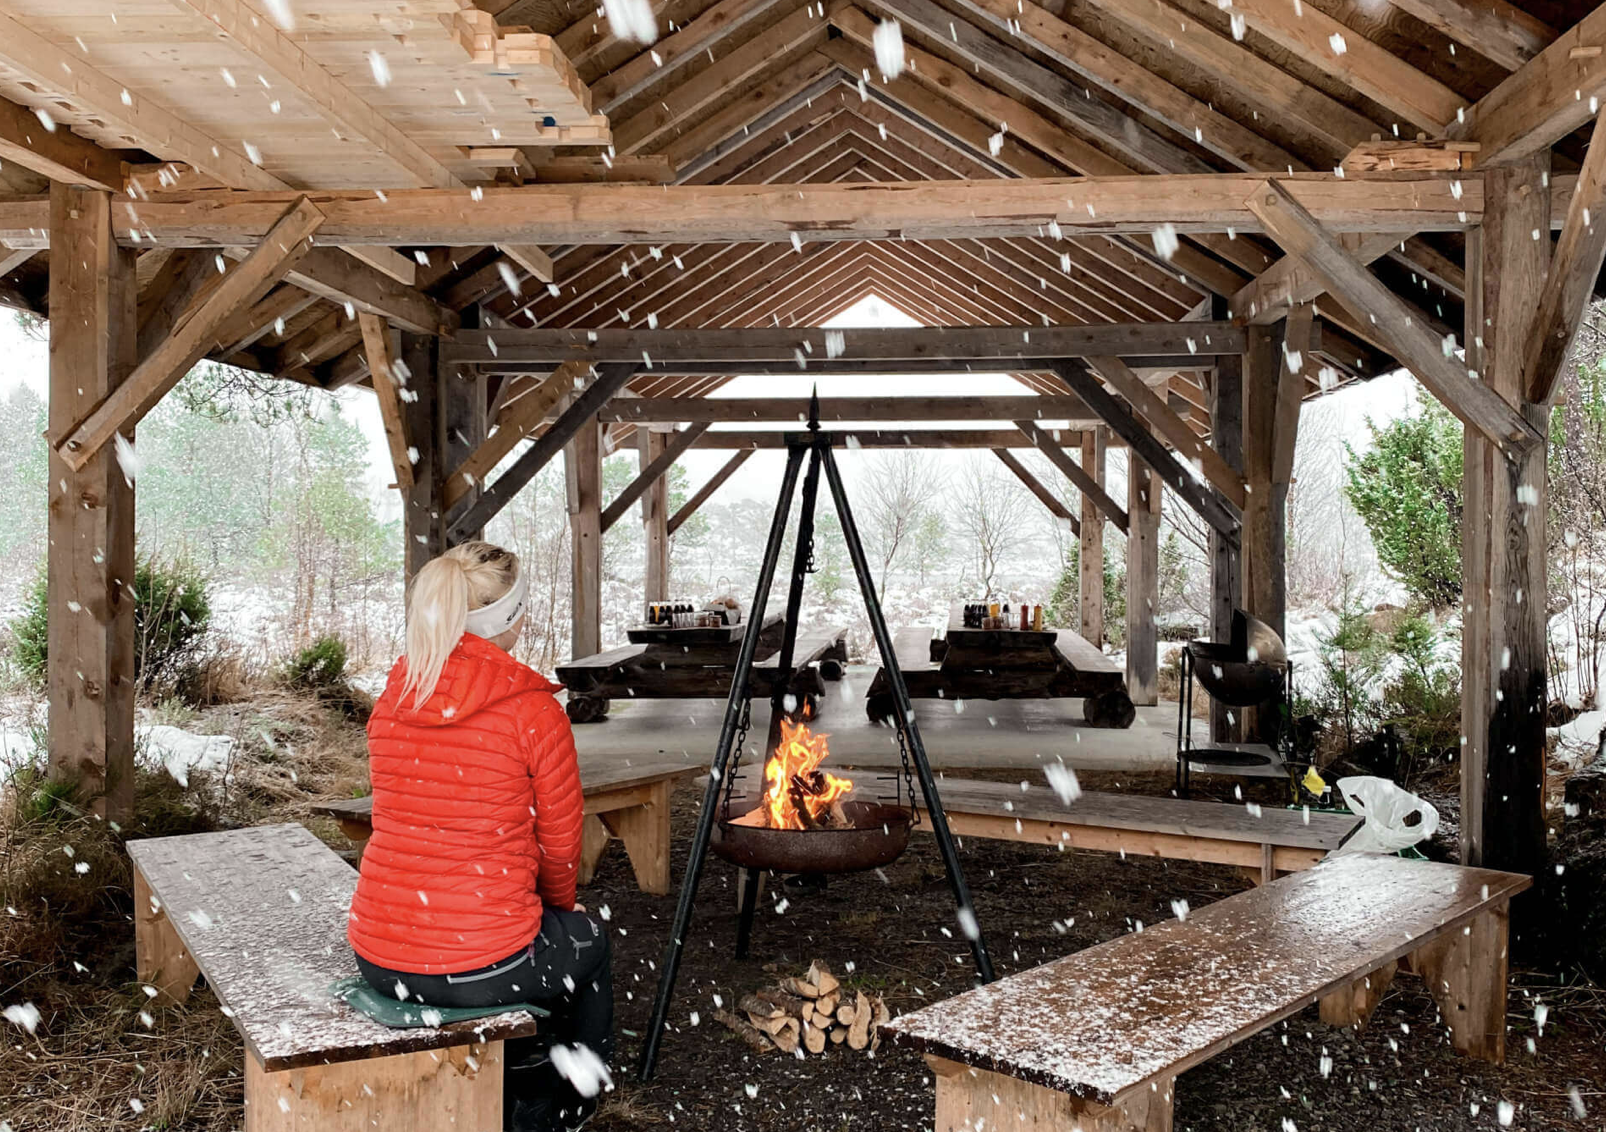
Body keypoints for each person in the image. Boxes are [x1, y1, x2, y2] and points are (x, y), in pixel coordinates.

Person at [348, 541, 611, 1132]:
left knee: (542, 946)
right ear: (510, 618)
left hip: (379, 957)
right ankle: (566, 1102)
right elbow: (562, 842)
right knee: (586, 943)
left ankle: (521, 1074)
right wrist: (556, 914)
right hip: (475, 962)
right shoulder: (532, 711)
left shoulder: (394, 699)